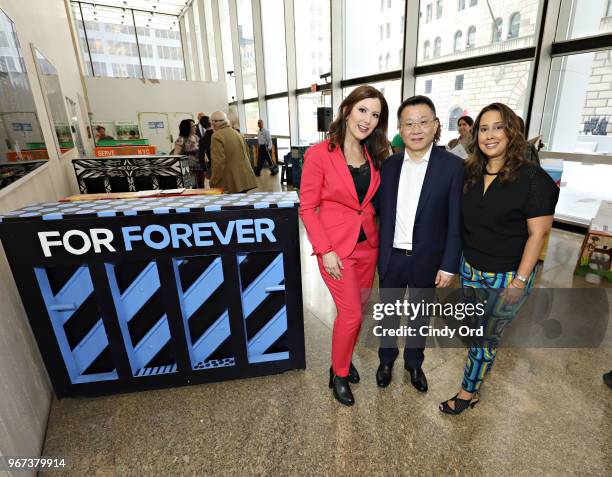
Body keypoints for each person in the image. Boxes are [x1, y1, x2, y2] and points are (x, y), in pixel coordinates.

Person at [439, 103, 559, 415]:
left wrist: (519, 281)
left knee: (485, 336)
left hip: (508, 275)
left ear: (511, 132)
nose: (489, 135)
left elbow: (538, 235)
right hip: (471, 269)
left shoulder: (533, 179)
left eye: (498, 127)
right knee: (473, 329)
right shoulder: (471, 172)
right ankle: (476, 374)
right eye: (483, 128)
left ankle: (468, 392)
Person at [299, 85, 389, 406]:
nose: (367, 119)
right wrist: (325, 250)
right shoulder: (319, 154)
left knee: (357, 312)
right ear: (347, 110)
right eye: (362, 110)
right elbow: (307, 207)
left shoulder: (374, 155)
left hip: (368, 246)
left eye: (375, 114)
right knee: (350, 314)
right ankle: (338, 374)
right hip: (336, 250)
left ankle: (344, 359)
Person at [376, 95, 464, 393]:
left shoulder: (452, 167)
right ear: (399, 128)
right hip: (391, 256)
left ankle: (414, 363)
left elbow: (456, 221)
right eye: (408, 123)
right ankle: (386, 359)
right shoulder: (387, 166)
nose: (416, 129)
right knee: (387, 312)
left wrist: (449, 264)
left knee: (419, 316)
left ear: (436, 125)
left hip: (428, 258)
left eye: (423, 122)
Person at [209, 111, 257, 193]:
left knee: (230, 205)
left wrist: (213, 181)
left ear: (214, 123)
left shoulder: (217, 136)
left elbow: (218, 162)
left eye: (211, 122)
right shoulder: (236, 133)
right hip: (244, 178)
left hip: (230, 182)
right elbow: (248, 154)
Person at [173, 119, 203, 188]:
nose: (195, 127)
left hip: (199, 168)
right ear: (187, 128)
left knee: (201, 186)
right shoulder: (181, 139)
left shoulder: (196, 137)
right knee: (191, 187)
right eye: (193, 126)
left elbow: (200, 150)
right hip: (188, 170)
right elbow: (175, 156)